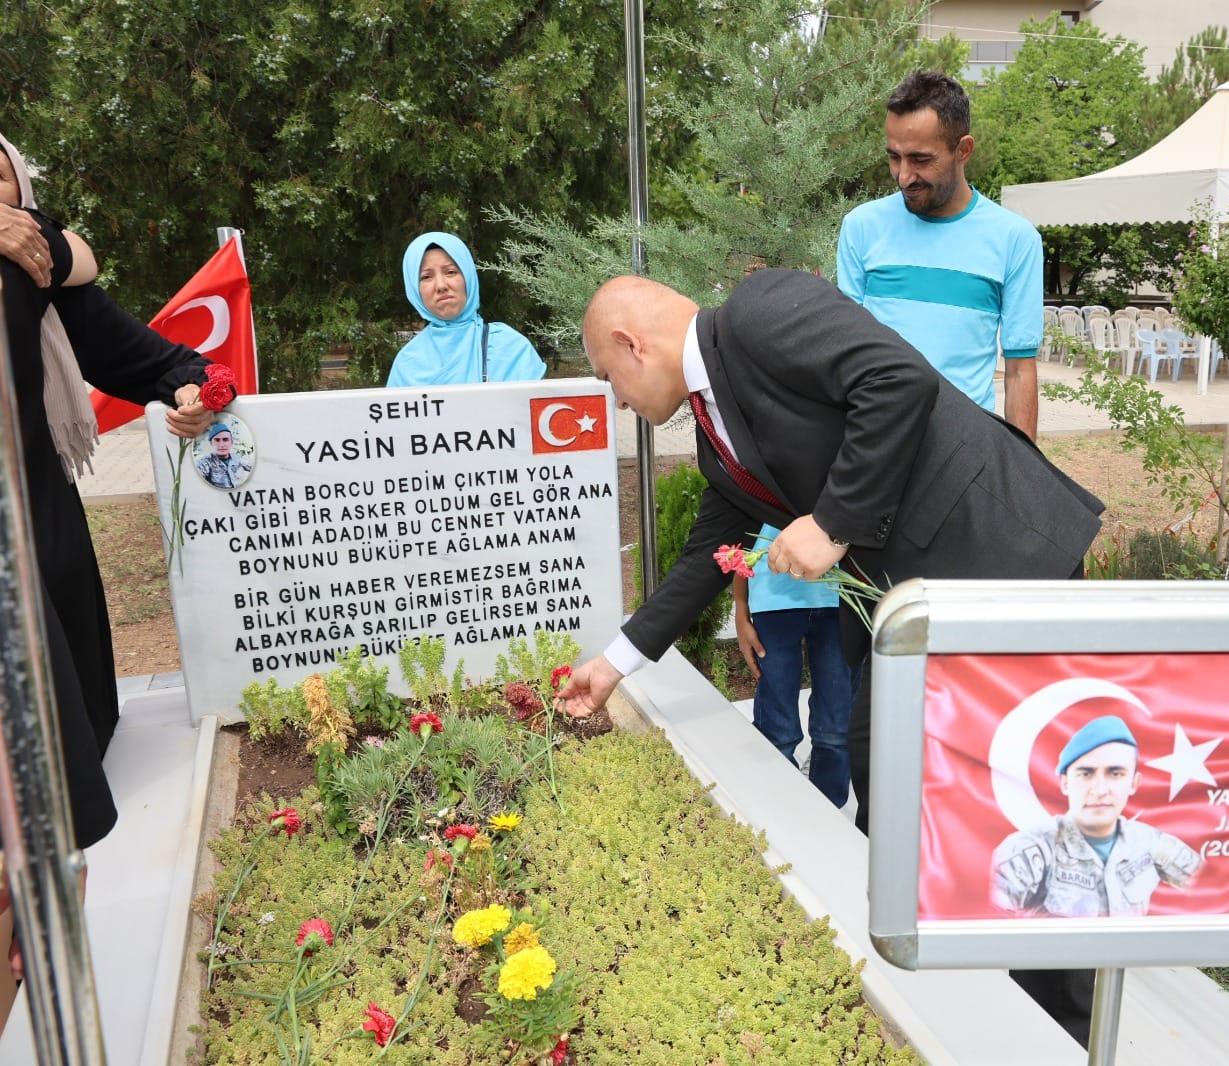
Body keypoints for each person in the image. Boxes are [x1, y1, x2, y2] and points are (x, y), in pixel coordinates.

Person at [559, 267, 1104, 1042]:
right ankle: (936, 999)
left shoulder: (759, 309)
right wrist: (612, 663)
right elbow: (700, 560)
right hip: (917, 614)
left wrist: (833, 520)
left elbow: (897, 380)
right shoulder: (719, 448)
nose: (617, 400)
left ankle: (1062, 1025)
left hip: (1000, 562)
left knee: (1024, 798)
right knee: (881, 776)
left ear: (630, 343)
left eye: (610, 378)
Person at [0, 133, 217, 1027]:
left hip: (33, 520)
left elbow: (136, 354)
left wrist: (190, 384)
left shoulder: (32, 264)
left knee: (68, 762)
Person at [836, 70, 1043, 438]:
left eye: (920, 159)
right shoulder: (861, 227)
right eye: (894, 157)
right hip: (874, 444)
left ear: (963, 150)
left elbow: (1019, 371)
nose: (903, 176)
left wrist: (1024, 480)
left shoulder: (1015, 239)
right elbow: (844, 356)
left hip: (964, 450)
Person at [991, 715, 1201, 917]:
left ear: (1134, 783)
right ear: (1065, 783)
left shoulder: (1150, 844)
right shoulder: (1030, 851)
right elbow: (990, 926)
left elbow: (1218, 889)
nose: (1100, 790)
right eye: (1086, 774)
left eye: (1115, 773)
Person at [731, 525, 858, 807]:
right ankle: (777, 814)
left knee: (835, 728)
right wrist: (741, 611)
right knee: (777, 729)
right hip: (772, 601)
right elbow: (739, 540)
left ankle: (827, 815)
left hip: (841, 600)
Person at [387, 231, 546, 387]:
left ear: (468, 277)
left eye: (450, 272)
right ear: (415, 290)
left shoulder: (509, 347)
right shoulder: (406, 365)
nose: (441, 286)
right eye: (426, 277)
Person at [194, 421, 252, 488]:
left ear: (231, 442)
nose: (221, 445)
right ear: (211, 443)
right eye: (217, 440)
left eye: (225, 439)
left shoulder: (237, 458)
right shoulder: (206, 462)